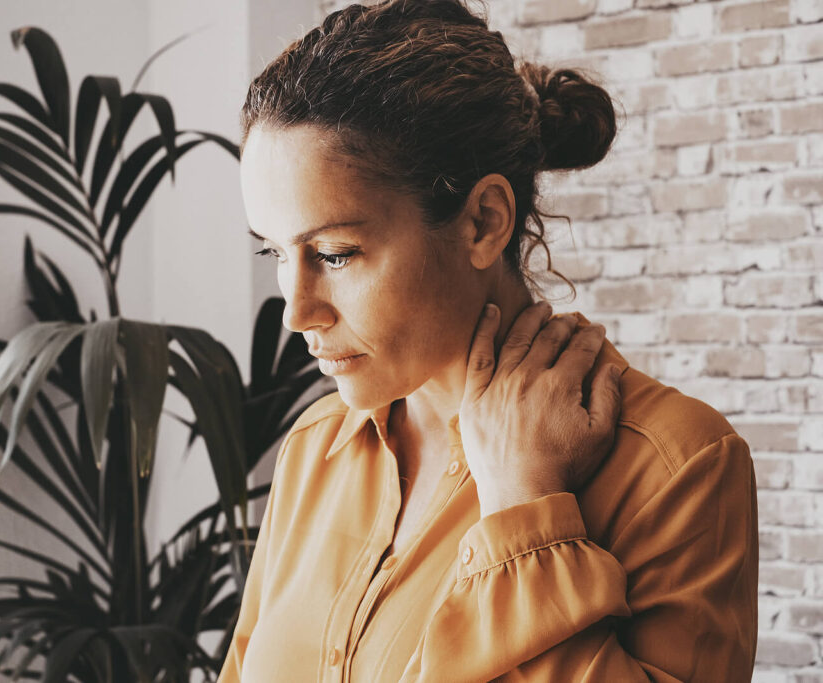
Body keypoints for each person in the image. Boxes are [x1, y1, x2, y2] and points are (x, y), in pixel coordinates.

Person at [220, 1, 758, 680]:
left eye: (334, 253)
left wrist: (525, 507)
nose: (295, 311)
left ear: (483, 221)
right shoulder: (313, 449)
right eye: (273, 251)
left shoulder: (676, 466)